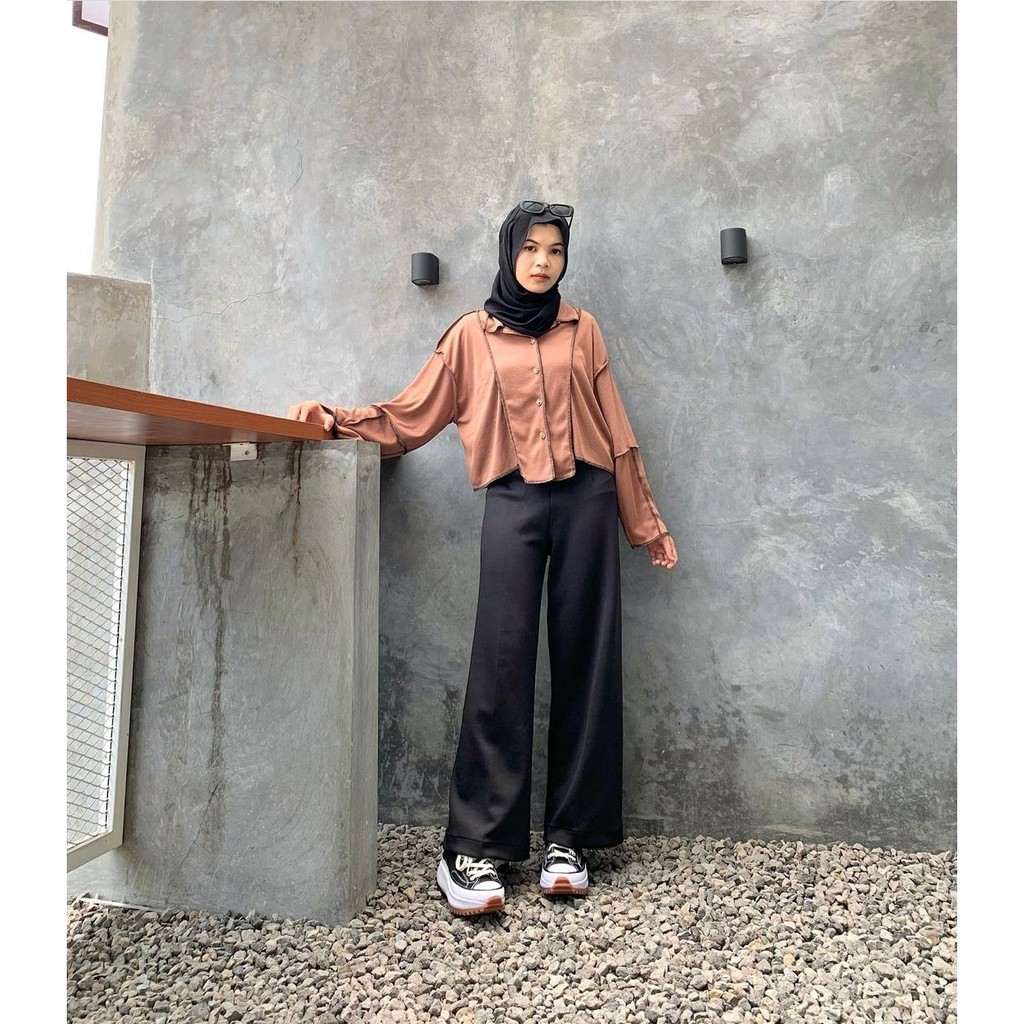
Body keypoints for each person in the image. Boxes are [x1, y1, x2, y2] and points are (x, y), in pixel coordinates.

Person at [288, 201, 678, 916]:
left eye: (555, 251)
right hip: (513, 501)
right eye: (530, 248)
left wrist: (643, 522)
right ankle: (474, 848)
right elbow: (412, 415)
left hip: (589, 499)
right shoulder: (471, 335)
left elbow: (617, 430)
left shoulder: (583, 329)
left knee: (588, 659)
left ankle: (569, 838)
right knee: (501, 660)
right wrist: (338, 422)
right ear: (508, 253)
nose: (542, 262)